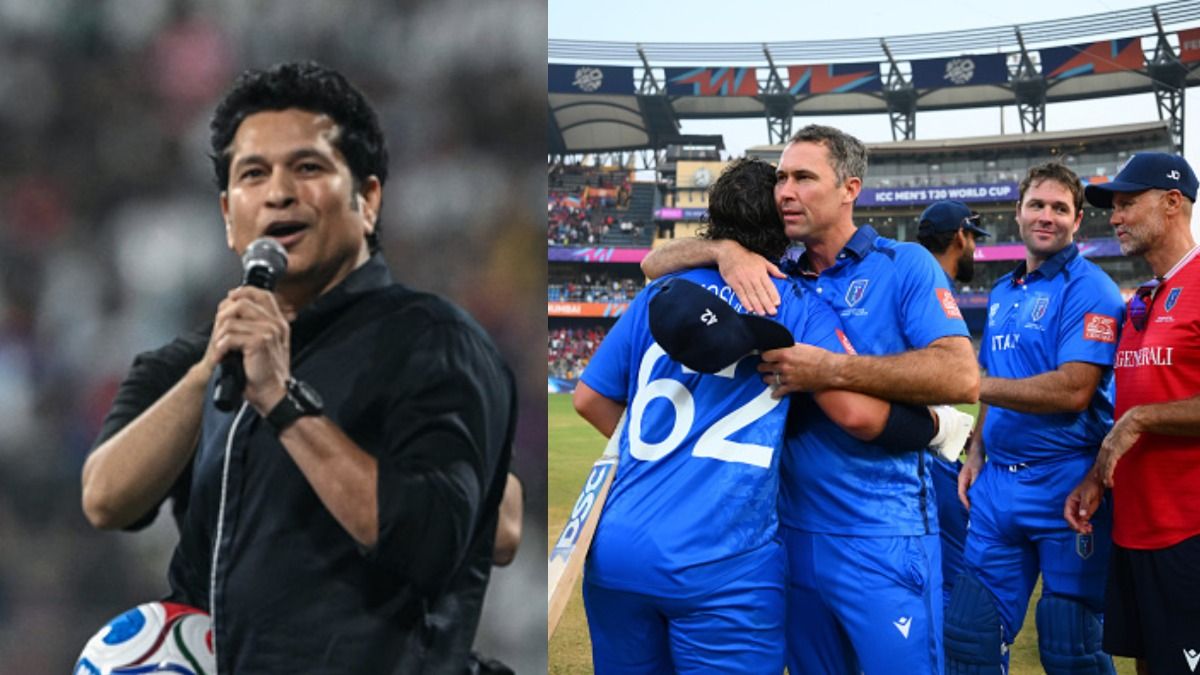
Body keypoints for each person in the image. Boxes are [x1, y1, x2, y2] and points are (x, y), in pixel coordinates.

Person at [80, 61, 515, 673]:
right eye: (254, 174)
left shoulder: (433, 341)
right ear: (230, 216)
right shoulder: (189, 363)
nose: (279, 192)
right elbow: (106, 499)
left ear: (367, 199)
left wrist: (282, 401)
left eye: (308, 167)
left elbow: (428, 544)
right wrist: (214, 367)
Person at [642, 126, 979, 674]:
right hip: (790, 539)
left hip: (883, 537)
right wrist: (724, 249)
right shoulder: (774, 275)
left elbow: (961, 376)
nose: (785, 192)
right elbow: (653, 265)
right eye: (780, 178)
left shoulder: (904, 264)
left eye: (803, 177)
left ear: (849, 188)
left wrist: (830, 368)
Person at [574, 158, 914, 673]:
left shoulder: (659, 293)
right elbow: (856, 415)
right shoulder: (794, 303)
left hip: (619, 548)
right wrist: (933, 424)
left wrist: (668, 457)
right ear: (782, 226)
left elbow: (589, 399)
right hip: (723, 561)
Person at [948, 162, 1124, 674]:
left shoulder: (1092, 290)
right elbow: (996, 378)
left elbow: (1073, 391)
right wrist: (976, 449)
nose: (1047, 216)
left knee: (1073, 650)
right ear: (1019, 213)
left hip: (1066, 486)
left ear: (1077, 221)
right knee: (968, 641)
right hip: (997, 488)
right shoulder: (1003, 292)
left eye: (1060, 208)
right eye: (1037, 205)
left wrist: (969, 385)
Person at [1066, 152, 1200, 675]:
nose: (1114, 217)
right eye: (1113, 207)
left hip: (1188, 532)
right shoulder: (1145, 298)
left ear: (1172, 203)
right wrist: (1099, 473)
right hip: (1133, 531)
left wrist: (1138, 421)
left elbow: (1138, 413)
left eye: (1127, 204)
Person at [914, 200, 992, 610]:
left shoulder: (903, 277)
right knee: (956, 587)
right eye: (974, 240)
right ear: (961, 237)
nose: (975, 251)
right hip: (925, 462)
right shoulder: (931, 286)